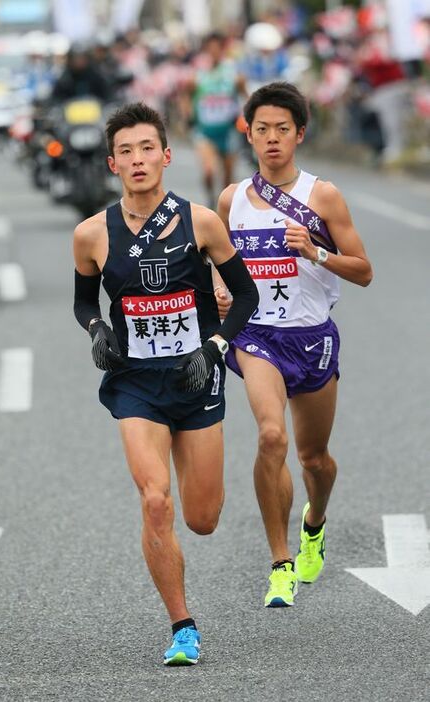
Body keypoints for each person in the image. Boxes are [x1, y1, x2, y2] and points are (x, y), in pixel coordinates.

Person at [73, 102, 258, 664]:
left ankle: (189, 568)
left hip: (196, 377)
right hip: (135, 382)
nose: (137, 160)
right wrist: (98, 327)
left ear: (166, 156)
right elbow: (83, 303)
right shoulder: (90, 235)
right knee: (156, 500)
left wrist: (217, 345)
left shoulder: (201, 222)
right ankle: (182, 626)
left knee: (201, 518)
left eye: (146, 148)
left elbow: (244, 296)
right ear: (112, 163)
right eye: (125, 151)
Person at [214, 82, 373, 607]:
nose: (272, 138)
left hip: (312, 337)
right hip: (257, 337)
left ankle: (315, 521)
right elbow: (216, 267)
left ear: (299, 134)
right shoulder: (231, 200)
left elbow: (364, 271)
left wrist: (316, 252)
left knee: (315, 459)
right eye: (262, 129)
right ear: (250, 134)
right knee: (269, 437)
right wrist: (218, 292)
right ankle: (279, 562)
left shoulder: (320, 195)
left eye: (283, 129)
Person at [186, 32, 247, 209]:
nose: (212, 52)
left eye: (216, 48)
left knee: (228, 178)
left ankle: (225, 209)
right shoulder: (197, 74)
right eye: (209, 49)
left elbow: (246, 96)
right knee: (209, 171)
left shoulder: (233, 73)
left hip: (228, 131)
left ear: (222, 49)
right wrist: (188, 114)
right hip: (204, 132)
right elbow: (186, 96)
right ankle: (211, 201)